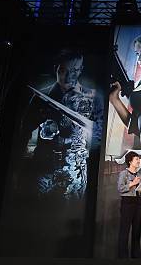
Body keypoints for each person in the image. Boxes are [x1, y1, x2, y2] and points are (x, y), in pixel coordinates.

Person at [21, 48, 104, 199]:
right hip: (44, 166)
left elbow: (99, 135)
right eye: (64, 70)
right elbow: (24, 131)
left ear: (81, 70)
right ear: (56, 69)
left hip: (76, 168)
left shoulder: (94, 98)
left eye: (75, 70)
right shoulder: (41, 97)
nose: (69, 76)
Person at [117, 151, 141, 258]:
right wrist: (133, 183)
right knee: (124, 231)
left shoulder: (139, 175)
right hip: (127, 203)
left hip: (137, 203)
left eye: (138, 159)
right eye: (136, 159)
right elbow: (120, 188)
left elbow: (139, 192)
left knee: (137, 232)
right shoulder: (124, 174)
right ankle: (123, 257)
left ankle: (136, 257)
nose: (138, 161)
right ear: (130, 161)